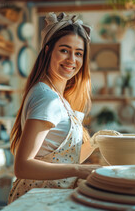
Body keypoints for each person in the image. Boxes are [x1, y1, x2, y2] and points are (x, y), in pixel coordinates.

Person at [8, 12, 102, 203]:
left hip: (49, 199)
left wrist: (96, 142)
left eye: (78, 53)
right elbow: (23, 166)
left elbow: (64, 158)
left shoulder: (59, 97)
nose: (71, 60)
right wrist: (79, 170)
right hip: (36, 201)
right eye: (64, 50)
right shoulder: (46, 97)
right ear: (48, 50)